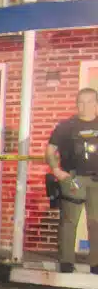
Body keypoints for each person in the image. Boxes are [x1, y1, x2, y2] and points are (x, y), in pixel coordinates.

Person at [46, 87, 98, 273]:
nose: (86, 106)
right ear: (76, 104)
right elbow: (50, 150)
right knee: (69, 222)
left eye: (90, 101)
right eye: (81, 102)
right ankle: (66, 262)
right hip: (73, 180)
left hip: (96, 182)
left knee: (96, 222)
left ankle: (96, 264)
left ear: (96, 103)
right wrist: (56, 171)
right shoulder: (66, 127)